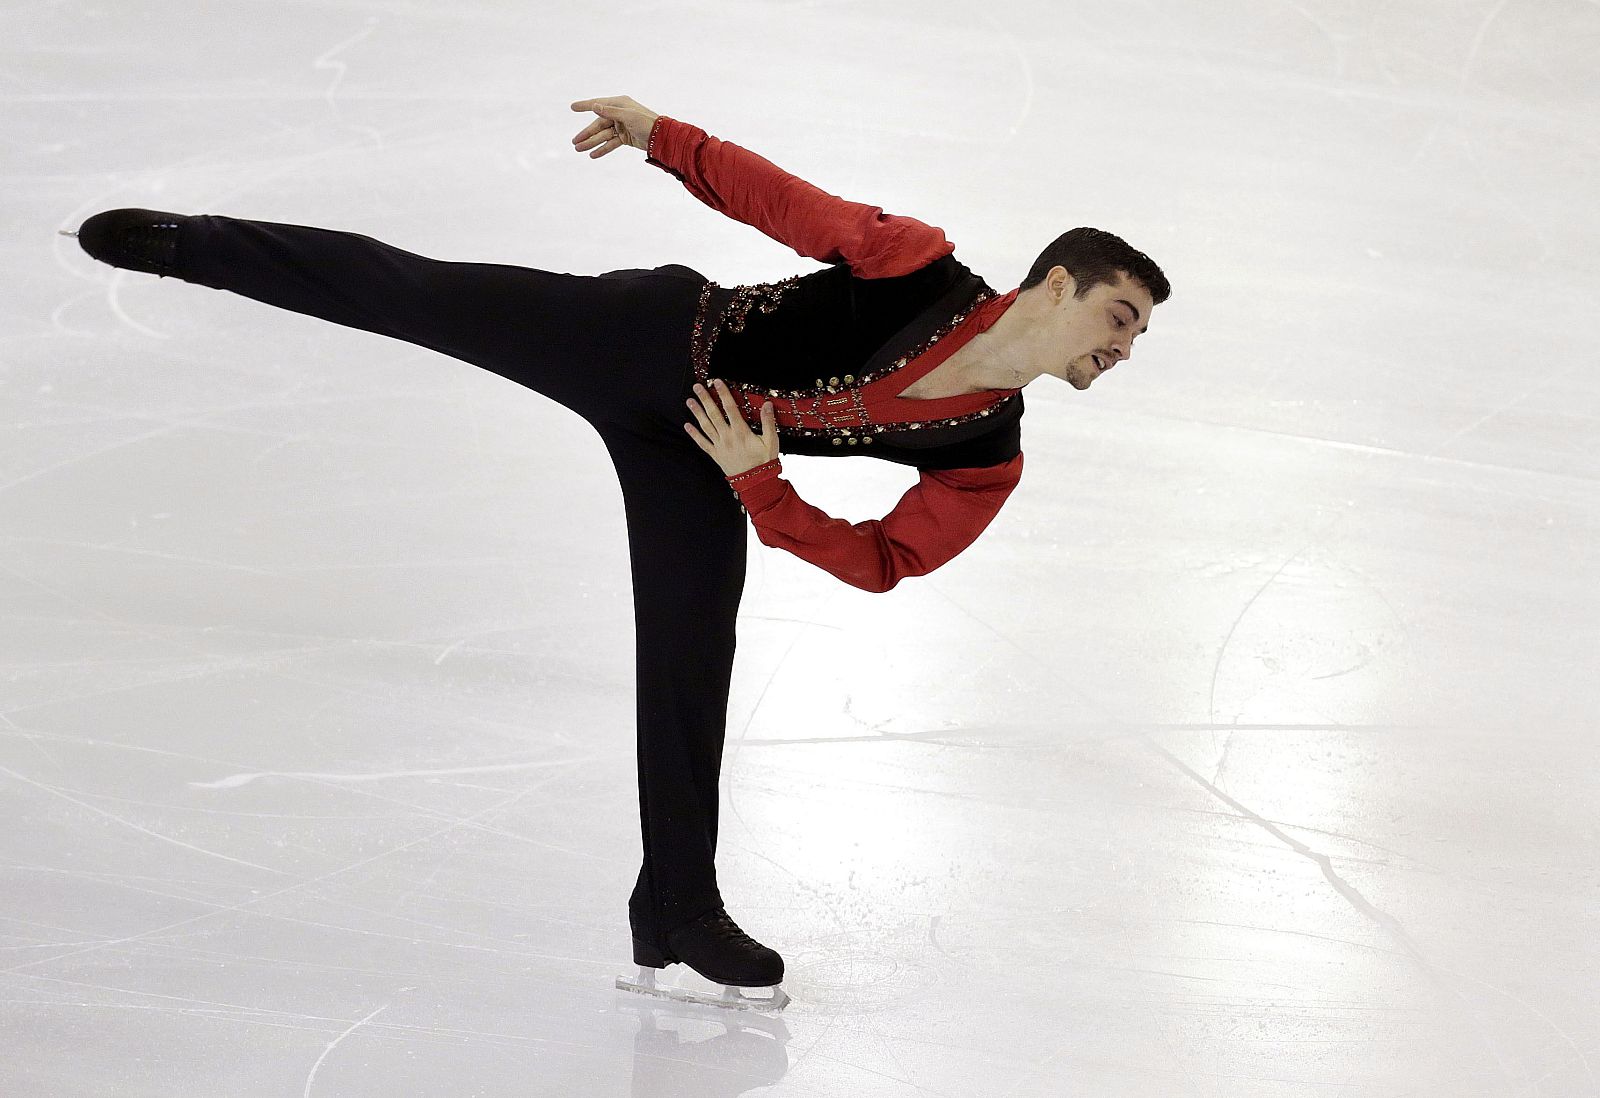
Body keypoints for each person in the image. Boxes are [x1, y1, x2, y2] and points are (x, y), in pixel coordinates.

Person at [66, 94, 1170, 1012]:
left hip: (702, 459)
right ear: (1055, 286)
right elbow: (789, 203)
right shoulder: (918, 269)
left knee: (693, 658)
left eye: (1137, 335)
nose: (1122, 346)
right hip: (640, 338)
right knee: (421, 292)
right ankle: (193, 245)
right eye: (1118, 316)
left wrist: (761, 485)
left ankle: (677, 910)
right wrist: (663, 137)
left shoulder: (985, 450)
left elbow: (886, 560)